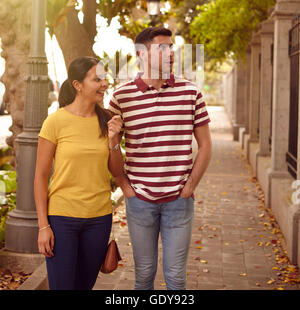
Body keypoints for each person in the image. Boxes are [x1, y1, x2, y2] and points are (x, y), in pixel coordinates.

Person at [109, 26, 212, 290]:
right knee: (144, 275)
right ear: (142, 54)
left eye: (171, 48)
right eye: (163, 48)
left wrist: (189, 187)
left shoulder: (191, 93)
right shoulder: (121, 97)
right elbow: (110, 148)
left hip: (179, 201)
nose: (171, 54)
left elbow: (206, 146)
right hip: (139, 201)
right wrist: (124, 185)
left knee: (176, 277)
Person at [34, 56, 123, 290]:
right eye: (97, 79)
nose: (104, 84)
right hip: (62, 219)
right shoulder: (55, 122)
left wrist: (114, 140)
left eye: (105, 79)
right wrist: (44, 226)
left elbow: (116, 171)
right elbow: (41, 177)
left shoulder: (107, 120)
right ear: (78, 85)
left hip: (99, 219)